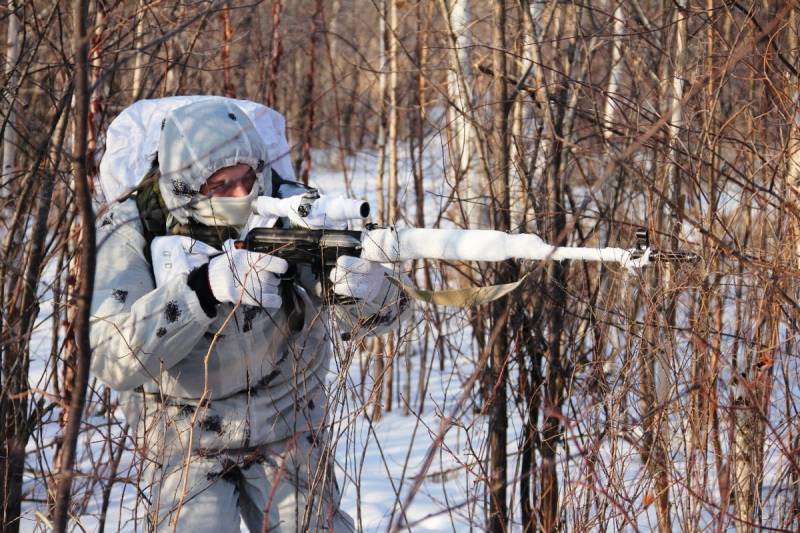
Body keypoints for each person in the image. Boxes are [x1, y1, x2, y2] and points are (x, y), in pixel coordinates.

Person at [90, 98, 410, 531]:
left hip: (286, 419)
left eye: (248, 178)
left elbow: (391, 314)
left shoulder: (288, 207)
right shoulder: (133, 227)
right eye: (222, 185)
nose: (243, 195)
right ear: (186, 185)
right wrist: (201, 292)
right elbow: (113, 358)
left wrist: (365, 290)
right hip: (182, 434)